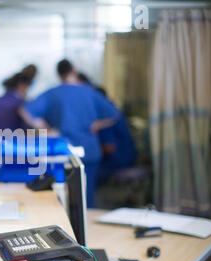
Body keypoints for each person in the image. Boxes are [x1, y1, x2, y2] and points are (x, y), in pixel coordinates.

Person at [23, 59, 119, 207]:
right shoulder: (89, 92)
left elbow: (25, 110)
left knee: (61, 198)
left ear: (58, 74)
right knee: (86, 197)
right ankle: (85, 228)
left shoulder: (53, 93)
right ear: (74, 70)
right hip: (88, 151)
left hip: (62, 152)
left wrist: (44, 127)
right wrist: (96, 125)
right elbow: (114, 113)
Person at [76, 73, 137, 184]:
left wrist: (84, 150)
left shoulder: (105, 117)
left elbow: (109, 147)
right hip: (124, 157)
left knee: (82, 175)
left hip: (118, 160)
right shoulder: (111, 110)